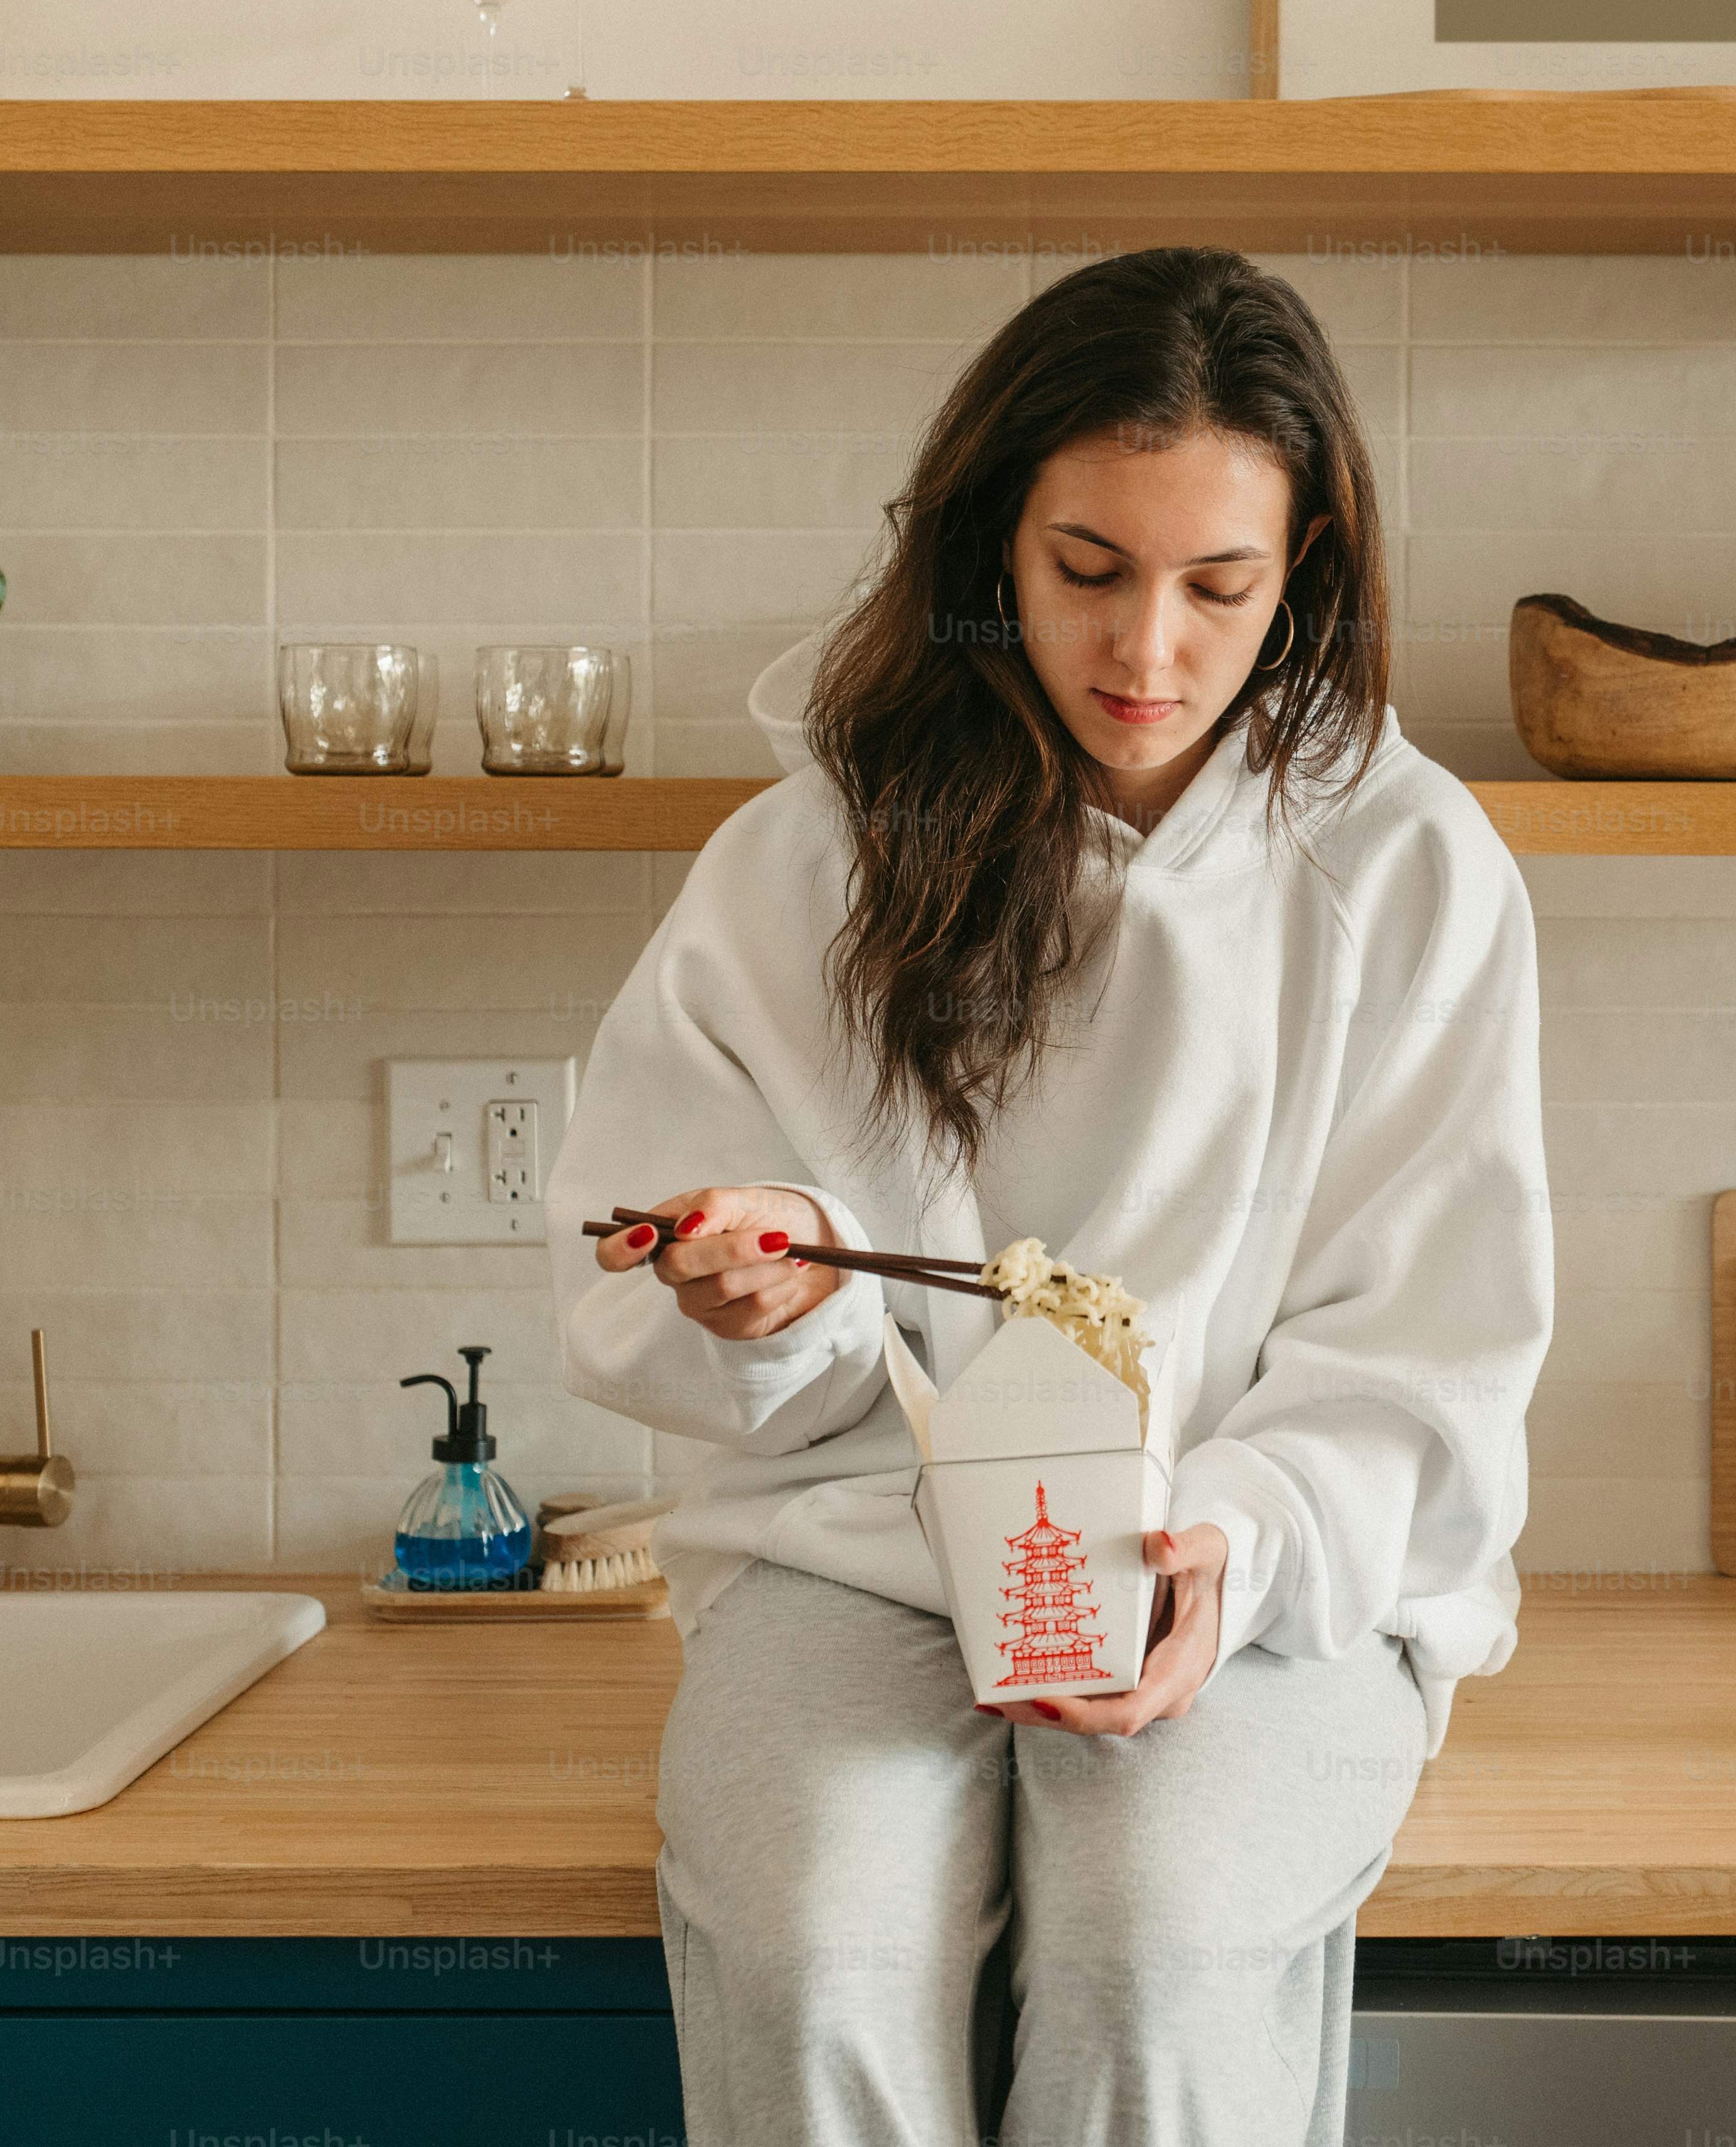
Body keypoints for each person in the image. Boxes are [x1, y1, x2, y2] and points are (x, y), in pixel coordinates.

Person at [551, 246, 1552, 2146]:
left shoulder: (1411, 869)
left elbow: (1430, 1347)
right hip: (856, 1543)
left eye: (1220, 587)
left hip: (1249, 1559)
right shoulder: (809, 863)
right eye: (1088, 572)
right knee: (814, 1941)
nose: (1147, 652)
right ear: (989, 547)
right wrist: (772, 1299)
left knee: (1156, 1946)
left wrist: (1238, 1543)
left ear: (1309, 570)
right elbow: (643, 1240)